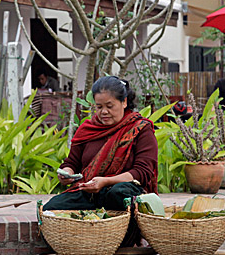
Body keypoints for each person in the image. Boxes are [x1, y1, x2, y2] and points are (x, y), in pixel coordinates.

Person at [43, 76, 158, 245]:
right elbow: (72, 162)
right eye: (99, 107)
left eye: (109, 106)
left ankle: (124, 236)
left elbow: (142, 173)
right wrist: (67, 173)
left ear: (124, 102)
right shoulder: (88, 129)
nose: (104, 112)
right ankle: (89, 237)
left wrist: (106, 181)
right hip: (90, 193)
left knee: (117, 193)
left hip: (123, 192)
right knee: (49, 210)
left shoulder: (140, 129)